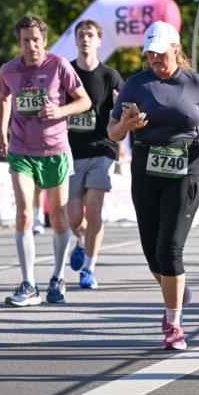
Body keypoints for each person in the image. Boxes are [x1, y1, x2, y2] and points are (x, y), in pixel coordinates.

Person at [107, 21, 199, 351]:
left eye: (161, 53)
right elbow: (112, 131)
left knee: (169, 248)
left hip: (185, 165)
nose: (155, 60)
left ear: (175, 49)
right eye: (150, 54)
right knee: (152, 255)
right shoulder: (136, 84)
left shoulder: (197, 83)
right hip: (146, 167)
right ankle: (176, 288)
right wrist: (127, 124)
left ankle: (173, 323)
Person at [0, 15, 90, 305]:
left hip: (55, 151)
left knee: (58, 217)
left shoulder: (59, 65)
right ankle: (28, 284)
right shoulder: (8, 70)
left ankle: (58, 277)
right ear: (19, 42)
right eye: (26, 40)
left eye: (36, 40)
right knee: (25, 212)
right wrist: (1, 134)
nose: (31, 45)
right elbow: (3, 98)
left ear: (44, 40)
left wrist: (60, 112)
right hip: (21, 149)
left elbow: (83, 100)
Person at [65, 19, 123, 289]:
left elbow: (125, 114)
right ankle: (81, 239)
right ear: (75, 41)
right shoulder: (65, 72)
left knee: (96, 208)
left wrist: (119, 110)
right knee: (75, 218)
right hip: (71, 152)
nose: (85, 39)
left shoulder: (110, 76)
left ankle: (89, 267)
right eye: (81, 35)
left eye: (90, 35)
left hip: (102, 149)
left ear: (99, 41)